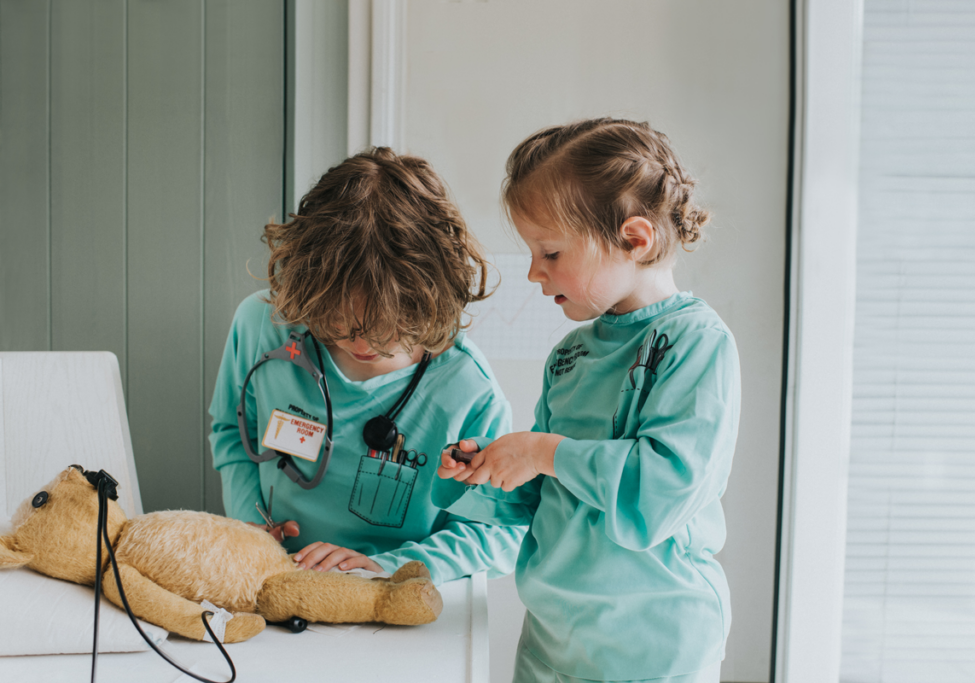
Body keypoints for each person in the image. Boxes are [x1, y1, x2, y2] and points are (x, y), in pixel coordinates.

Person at [435, 118, 741, 682]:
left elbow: (658, 493)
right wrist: (487, 471)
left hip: (653, 646)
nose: (533, 272)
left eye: (550, 252)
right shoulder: (570, 355)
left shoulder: (697, 344)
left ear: (634, 238)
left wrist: (543, 451)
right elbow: (550, 499)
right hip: (554, 640)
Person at [209, 147, 525, 584]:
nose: (360, 342)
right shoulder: (265, 325)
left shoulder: (467, 389)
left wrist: (387, 567)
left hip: (391, 596)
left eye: (385, 326)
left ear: (429, 299)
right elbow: (232, 432)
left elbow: (497, 535)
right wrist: (251, 527)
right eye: (338, 317)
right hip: (275, 577)